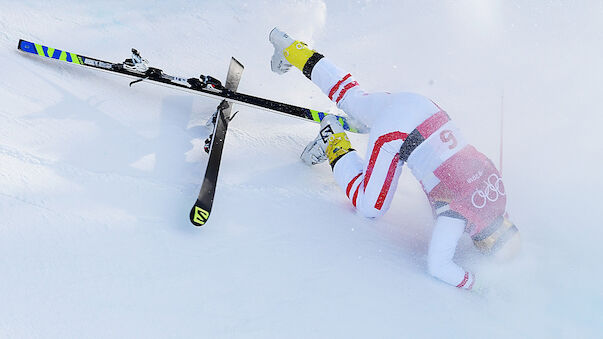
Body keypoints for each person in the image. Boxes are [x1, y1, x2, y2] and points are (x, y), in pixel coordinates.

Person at [269, 27, 520, 290]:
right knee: (370, 207)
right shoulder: (460, 217)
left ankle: (292, 50)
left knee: (352, 100)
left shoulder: (498, 197)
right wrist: (476, 284)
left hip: (423, 108)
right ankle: (333, 137)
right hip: (400, 134)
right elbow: (438, 267)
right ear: (486, 241)